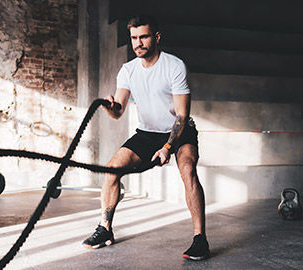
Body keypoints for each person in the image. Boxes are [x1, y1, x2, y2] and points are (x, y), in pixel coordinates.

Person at [81, 14, 209, 261]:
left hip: (179, 131)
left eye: (144, 37)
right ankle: (105, 229)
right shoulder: (128, 70)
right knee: (111, 170)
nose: (138, 43)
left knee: (187, 169)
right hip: (147, 133)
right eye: (134, 38)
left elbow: (182, 116)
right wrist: (109, 106)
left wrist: (168, 147)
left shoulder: (174, 66)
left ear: (156, 37)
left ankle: (200, 238)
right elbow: (118, 111)